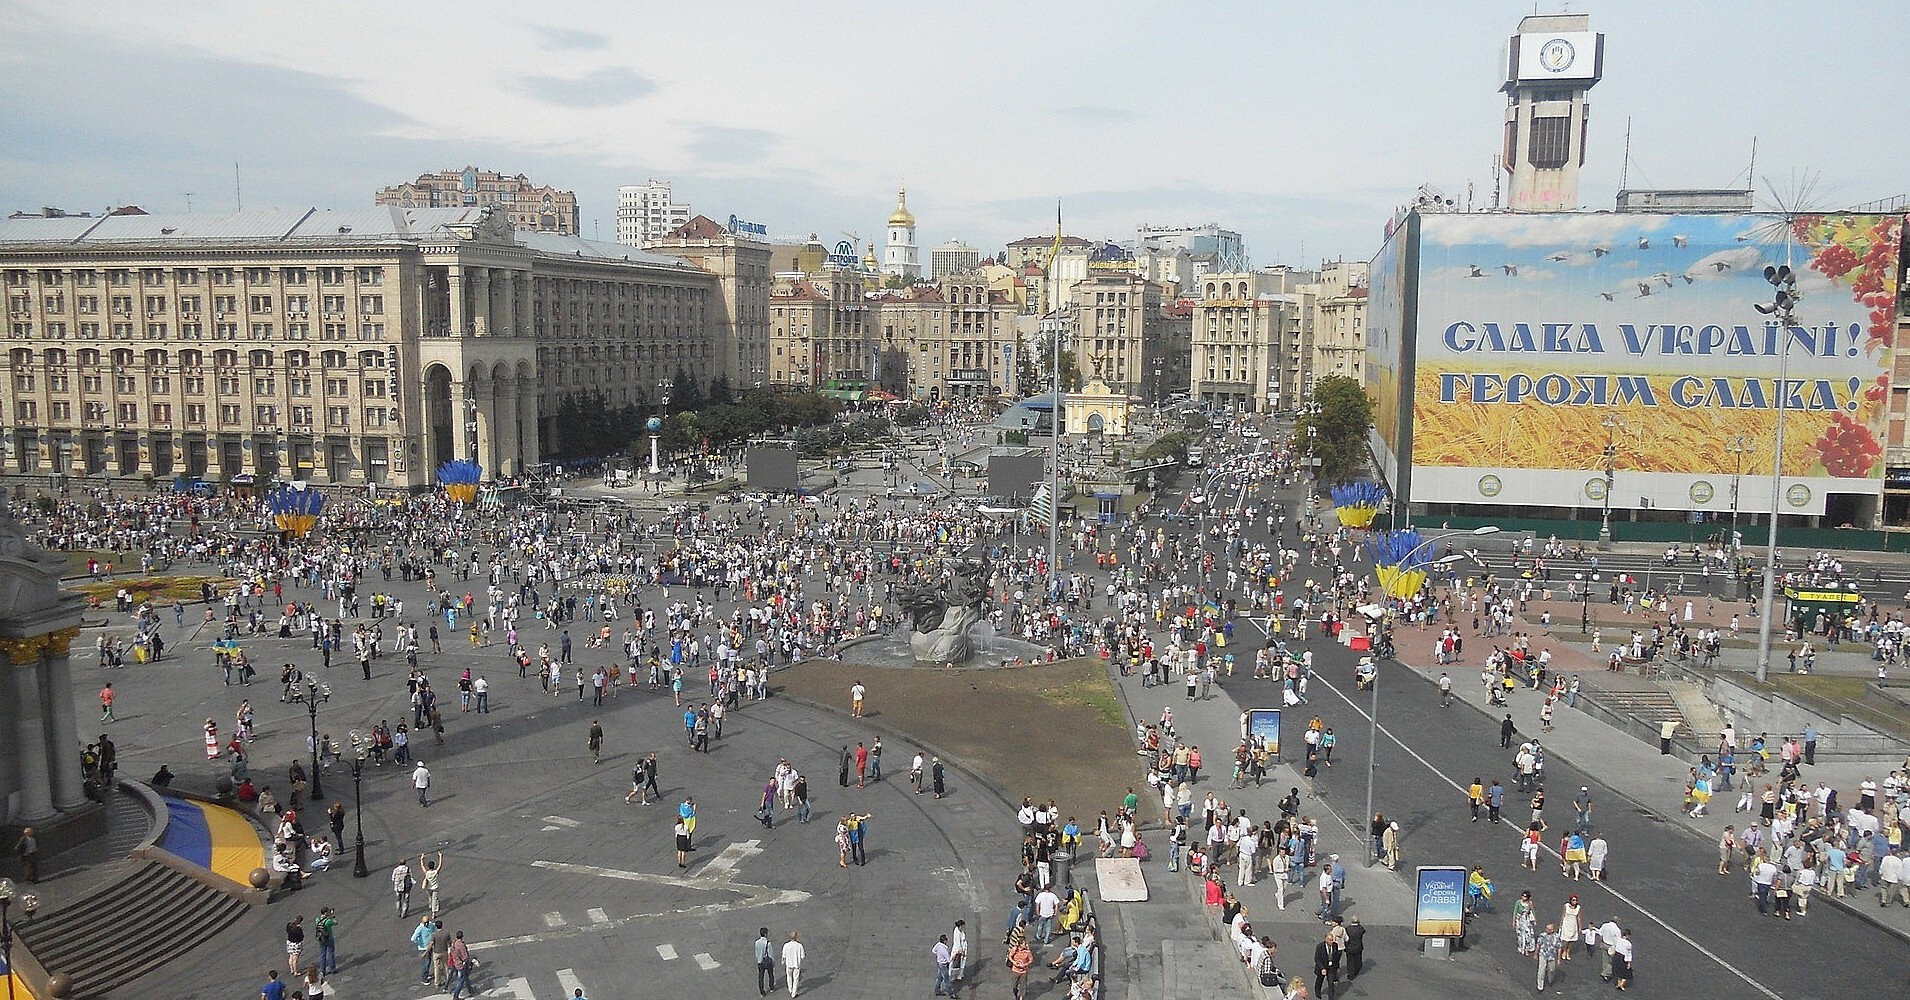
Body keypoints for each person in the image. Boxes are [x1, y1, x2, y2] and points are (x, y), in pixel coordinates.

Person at [782, 931, 806, 997]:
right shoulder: (799, 946)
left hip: (789, 964)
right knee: (796, 979)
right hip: (796, 965)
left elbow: (784, 955)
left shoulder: (786, 945)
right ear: (796, 937)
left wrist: (783, 961)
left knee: (789, 977)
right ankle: (794, 993)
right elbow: (802, 956)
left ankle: (790, 989)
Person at [755, 927, 777, 996]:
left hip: (760, 962)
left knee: (761, 977)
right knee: (770, 974)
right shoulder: (768, 943)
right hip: (767, 961)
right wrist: (773, 962)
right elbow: (770, 954)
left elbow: (756, 952)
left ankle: (762, 991)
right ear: (765, 934)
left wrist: (759, 959)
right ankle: (771, 987)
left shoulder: (757, 942)